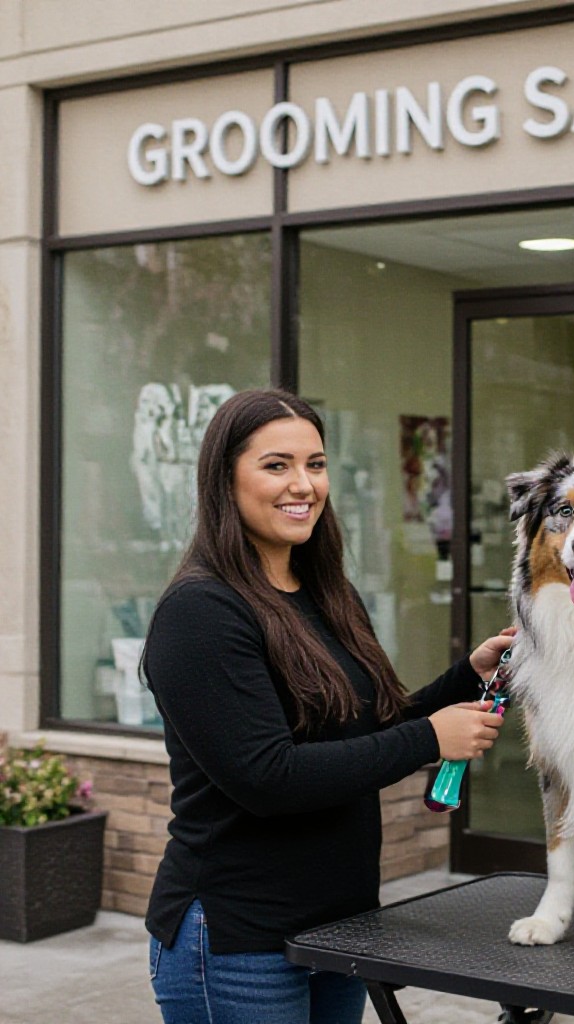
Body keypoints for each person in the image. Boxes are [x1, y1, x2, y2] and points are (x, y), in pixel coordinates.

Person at [143, 388, 508, 1024]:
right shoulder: (200, 613)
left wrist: (462, 679)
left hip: (339, 928)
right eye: (276, 465)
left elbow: (368, 731)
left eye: (315, 463)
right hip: (237, 942)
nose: (303, 484)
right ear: (224, 478)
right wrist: (430, 739)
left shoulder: (327, 595)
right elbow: (268, 777)